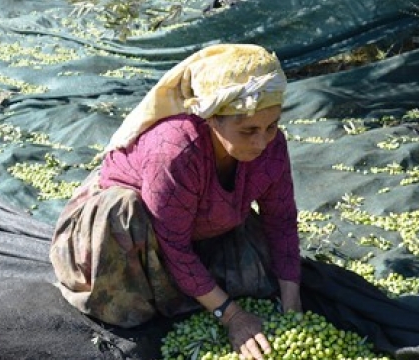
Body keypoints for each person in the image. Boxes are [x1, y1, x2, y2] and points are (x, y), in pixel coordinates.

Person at [49, 43, 302, 360]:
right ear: (212, 120)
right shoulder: (176, 150)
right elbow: (173, 244)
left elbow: (280, 221)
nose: (262, 141)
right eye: (248, 129)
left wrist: (293, 307)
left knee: (262, 271)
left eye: (271, 125)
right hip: (131, 232)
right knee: (122, 209)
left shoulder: (271, 146)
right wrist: (233, 316)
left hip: (200, 223)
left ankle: (197, 291)